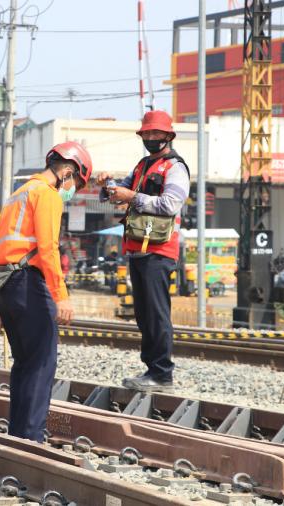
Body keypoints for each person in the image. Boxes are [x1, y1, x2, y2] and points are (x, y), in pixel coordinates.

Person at [0, 141, 92, 442]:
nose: (72, 190)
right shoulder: (46, 194)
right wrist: (61, 295)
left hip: (6, 285)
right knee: (42, 362)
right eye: (76, 183)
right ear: (68, 171)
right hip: (28, 283)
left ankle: (18, 435)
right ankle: (31, 438)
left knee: (24, 362)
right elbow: (47, 248)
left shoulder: (18, 194)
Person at [97, 110, 190, 392]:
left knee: (156, 313)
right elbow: (118, 195)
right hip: (138, 249)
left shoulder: (175, 168)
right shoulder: (142, 166)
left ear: (168, 136)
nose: (150, 138)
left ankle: (162, 374)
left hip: (158, 251)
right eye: (147, 134)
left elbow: (171, 204)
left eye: (156, 134)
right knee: (144, 314)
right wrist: (107, 186)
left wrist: (132, 197)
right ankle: (152, 370)